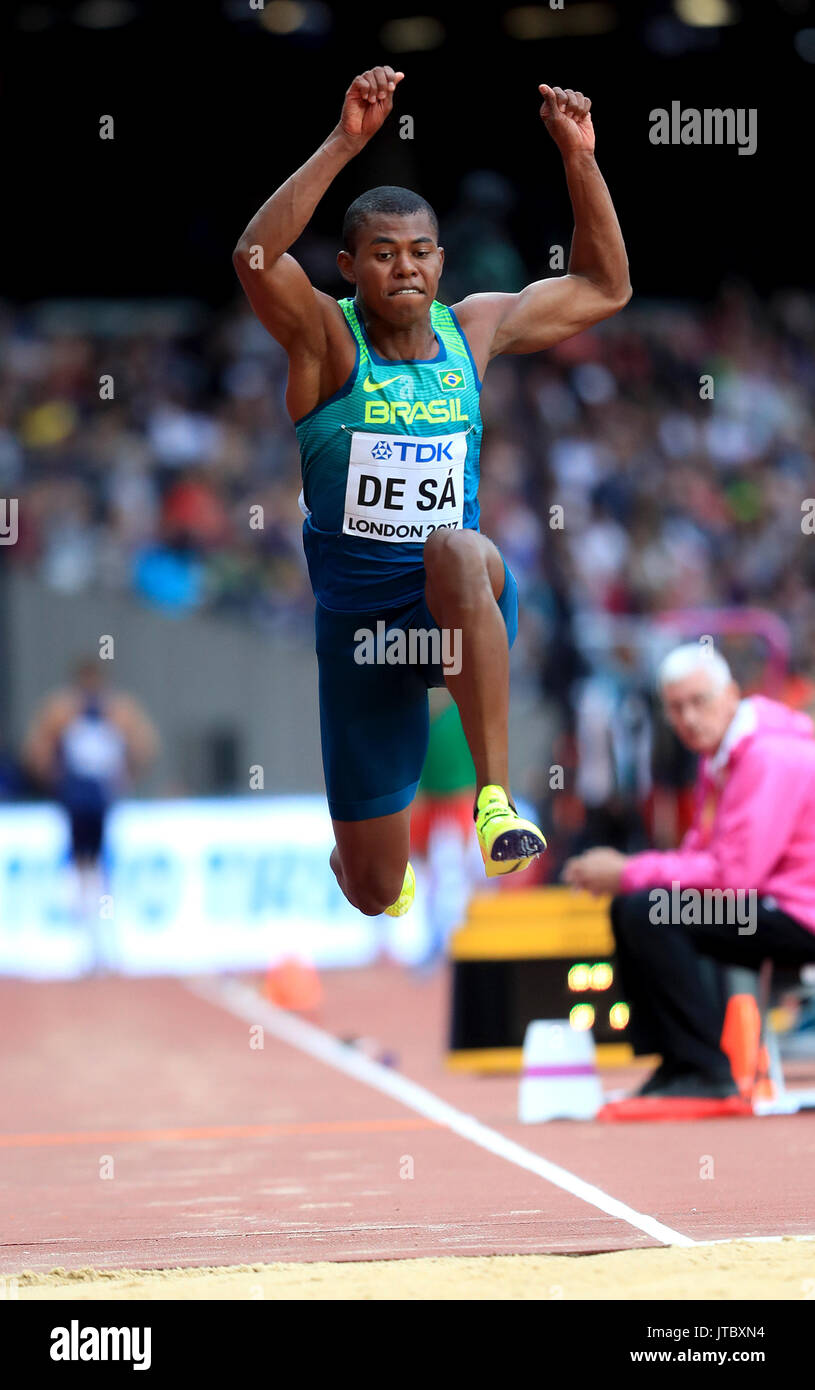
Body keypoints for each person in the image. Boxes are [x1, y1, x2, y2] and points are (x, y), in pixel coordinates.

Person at [233, 65, 631, 918]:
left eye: (419, 253)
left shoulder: (473, 328)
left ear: (441, 262)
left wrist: (579, 160)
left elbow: (605, 287)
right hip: (361, 642)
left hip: (455, 610)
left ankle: (495, 802)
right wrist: (345, 142)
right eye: (382, 255)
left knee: (456, 547)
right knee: (375, 895)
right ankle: (365, 860)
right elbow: (254, 257)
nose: (404, 270)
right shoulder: (325, 345)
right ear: (349, 268)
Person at [563, 644, 815, 1098]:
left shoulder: (766, 757)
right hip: (776, 905)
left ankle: (704, 1068)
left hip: (799, 914)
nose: (689, 719)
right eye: (676, 709)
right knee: (637, 908)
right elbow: (701, 853)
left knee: (650, 912)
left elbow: (735, 877)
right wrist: (634, 877)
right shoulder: (721, 756)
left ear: (731, 695)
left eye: (700, 702)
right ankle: (678, 1061)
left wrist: (630, 871)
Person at [23, 657, 159, 966]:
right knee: (81, 866)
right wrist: (54, 779)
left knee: (97, 867)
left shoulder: (117, 709)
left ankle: (100, 939)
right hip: (77, 797)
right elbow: (37, 749)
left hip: (99, 798)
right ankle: (88, 939)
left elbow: (145, 744)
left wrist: (126, 773)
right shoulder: (63, 710)